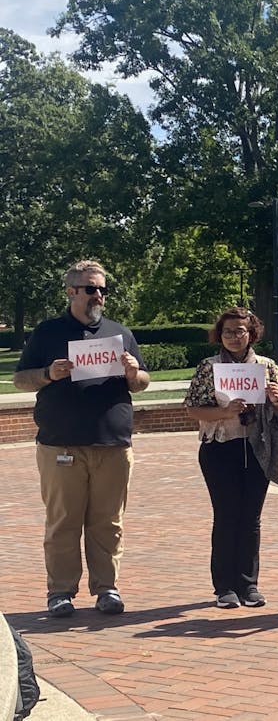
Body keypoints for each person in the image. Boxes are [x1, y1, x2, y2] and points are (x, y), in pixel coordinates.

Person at [13, 260, 150, 617]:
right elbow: (20, 380)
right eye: (91, 288)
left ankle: (107, 589)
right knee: (63, 521)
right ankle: (60, 592)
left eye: (102, 289)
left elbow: (141, 382)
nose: (99, 295)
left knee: (108, 522)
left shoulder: (119, 333)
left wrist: (135, 373)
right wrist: (48, 373)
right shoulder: (47, 333)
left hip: (113, 444)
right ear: (72, 291)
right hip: (61, 444)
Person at [184, 307, 278, 608]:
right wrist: (225, 412)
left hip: (258, 446)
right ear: (219, 335)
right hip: (219, 447)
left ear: (252, 333)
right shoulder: (208, 367)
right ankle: (224, 586)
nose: (234, 337)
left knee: (251, 518)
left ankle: (248, 585)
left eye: (240, 331)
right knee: (226, 516)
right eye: (228, 332)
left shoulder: (266, 366)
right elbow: (192, 409)